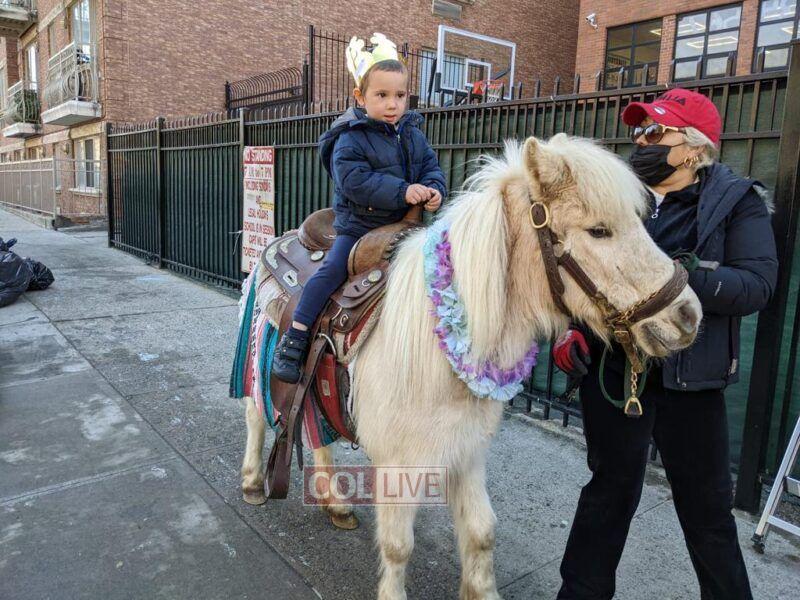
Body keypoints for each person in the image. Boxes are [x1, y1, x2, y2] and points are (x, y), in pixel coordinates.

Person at [555, 88, 778, 599]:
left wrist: (674, 278)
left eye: (656, 131)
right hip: (615, 372)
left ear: (694, 147)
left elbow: (756, 286)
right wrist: (573, 329)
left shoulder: (736, 202)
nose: (642, 141)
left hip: (691, 379)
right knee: (608, 494)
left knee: (706, 511)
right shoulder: (618, 195)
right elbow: (586, 272)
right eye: (639, 131)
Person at [271, 34, 446, 384]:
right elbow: (355, 181)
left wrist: (434, 190)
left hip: (405, 225)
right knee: (332, 271)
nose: (393, 104)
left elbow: (430, 166)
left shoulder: (412, 133)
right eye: (382, 95)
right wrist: (403, 191)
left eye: (400, 95)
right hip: (360, 225)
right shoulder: (349, 137)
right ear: (360, 97)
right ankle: (296, 336)